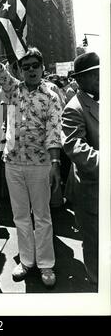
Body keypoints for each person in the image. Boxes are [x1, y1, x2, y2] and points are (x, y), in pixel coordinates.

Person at [0, 25, 62, 288]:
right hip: (13, 164)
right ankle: (27, 261)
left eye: (35, 65)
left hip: (40, 164)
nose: (31, 69)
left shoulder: (51, 96)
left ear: (42, 67)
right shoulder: (13, 89)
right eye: (26, 66)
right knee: (20, 216)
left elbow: (54, 132)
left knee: (42, 216)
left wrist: (55, 164)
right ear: (21, 70)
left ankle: (46, 264)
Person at [61, 52, 99, 287]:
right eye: (93, 75)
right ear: (79, 79)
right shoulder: (73, 108)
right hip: (91, 190)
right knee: (94, 244)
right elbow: (77, 149)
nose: (100, 78)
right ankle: (98, 287)